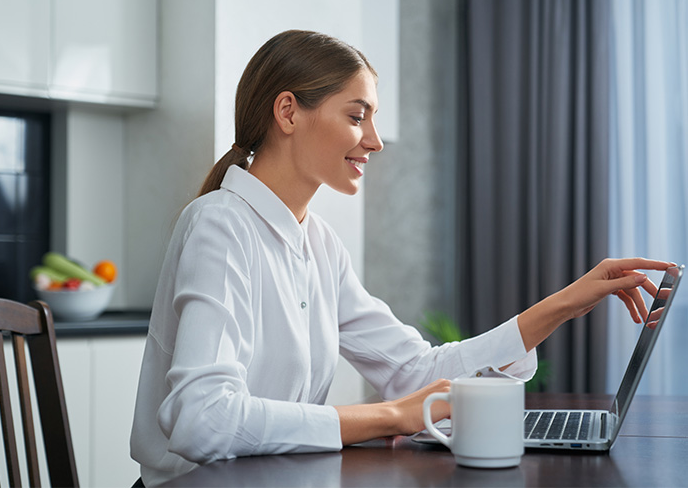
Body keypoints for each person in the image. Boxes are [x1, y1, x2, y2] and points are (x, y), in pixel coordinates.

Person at [129, 29, 673, 485]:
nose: (375, 140)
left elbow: (413, 372)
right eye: (357, 115)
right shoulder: (220, 224)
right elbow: (202, 421)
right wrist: (388, 417)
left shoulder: (316, 242)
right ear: (288, 111)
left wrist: (560, 306)